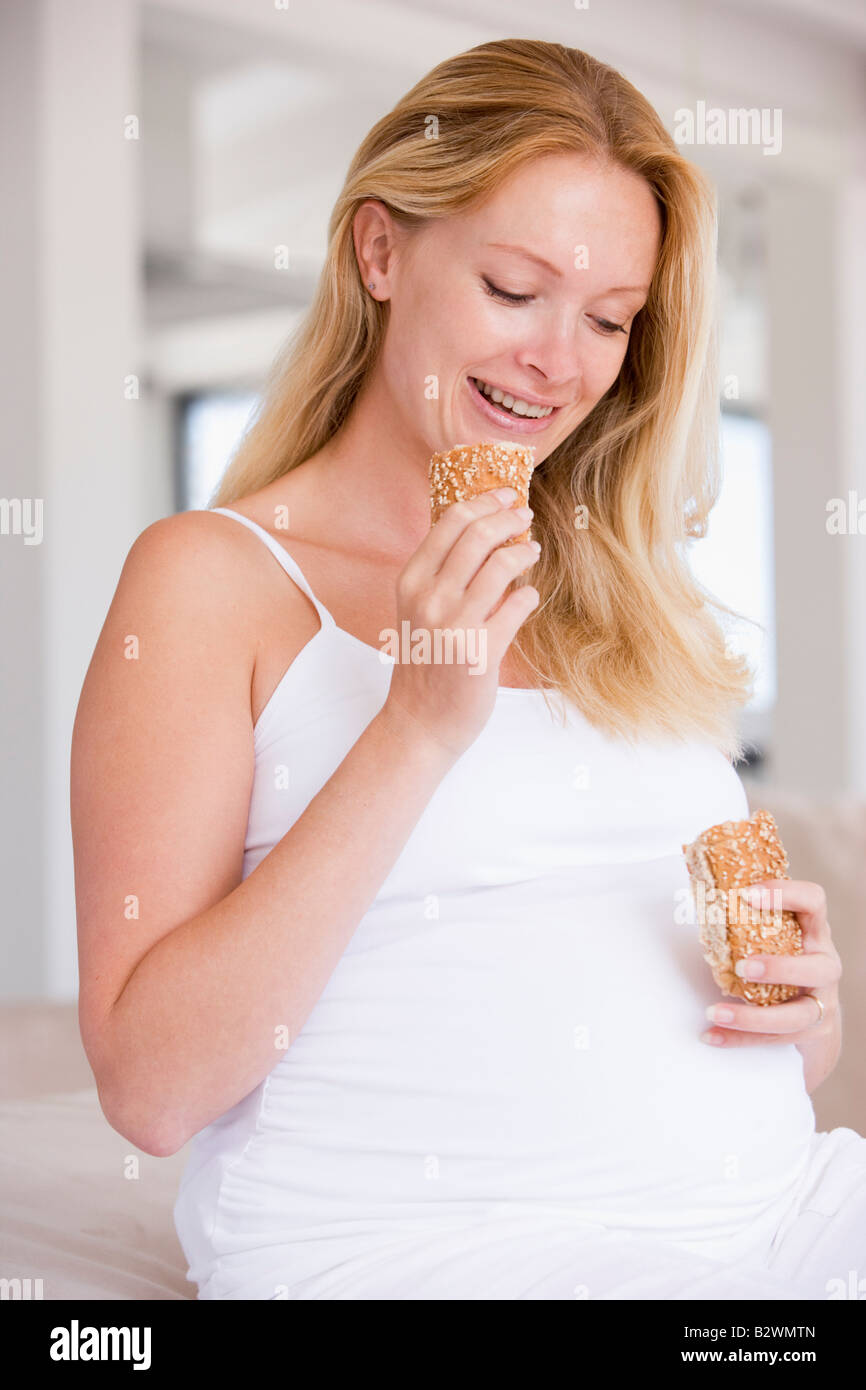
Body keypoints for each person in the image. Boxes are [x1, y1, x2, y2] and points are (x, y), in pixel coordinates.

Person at [71, 39, 862, 1301]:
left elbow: (611, 975)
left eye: (609, 318)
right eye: (513, 289)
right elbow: (152, 1090)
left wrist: (797, 1019)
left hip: (784, 1215)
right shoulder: (210, 580)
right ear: (379, 252)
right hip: (435, 1253)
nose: (561, 360)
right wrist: (418, 730)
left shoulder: (623, 587)